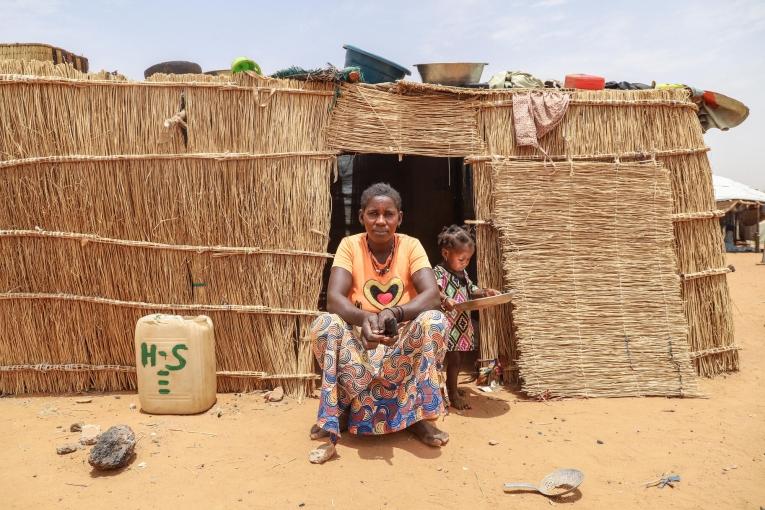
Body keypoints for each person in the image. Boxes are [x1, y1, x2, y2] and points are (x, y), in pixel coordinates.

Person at [309, 182, 449, 449]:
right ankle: (337, 412)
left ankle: (418, 416)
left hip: (401, 346)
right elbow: (334, 298)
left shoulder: (411, 246)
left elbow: (432, 295)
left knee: (435, 320)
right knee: (324, 324)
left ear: (400, 218)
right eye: (373, 213)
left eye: (389, 214)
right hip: (360, 344)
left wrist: (393, 312)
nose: (381, 221)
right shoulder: (349, 245)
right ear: (362, 216)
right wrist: (365, 320)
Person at [434, 225, 499, 410]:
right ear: (446, 253)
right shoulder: (439, 272)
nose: (465, 263)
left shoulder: (462, 273)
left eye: (468, 259)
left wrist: (484, 292)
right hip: (447, 325)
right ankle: (452, 394)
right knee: (453, 360)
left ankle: (450, 387)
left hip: (461, 326)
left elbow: (471, 290)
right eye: (461, 259)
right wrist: (446, 299)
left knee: (458, 359)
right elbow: (434, 292)